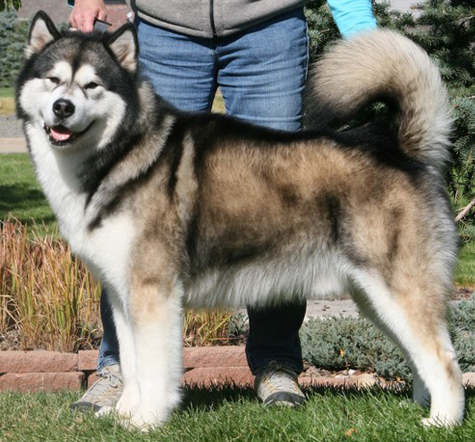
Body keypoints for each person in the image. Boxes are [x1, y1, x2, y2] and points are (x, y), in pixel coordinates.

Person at [69, 0, 377, 412]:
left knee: (281, 208)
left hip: (268, 27)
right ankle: (122, 371)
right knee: (132, 217)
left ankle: (276, 364)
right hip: (164, 29)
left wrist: (361, 30)